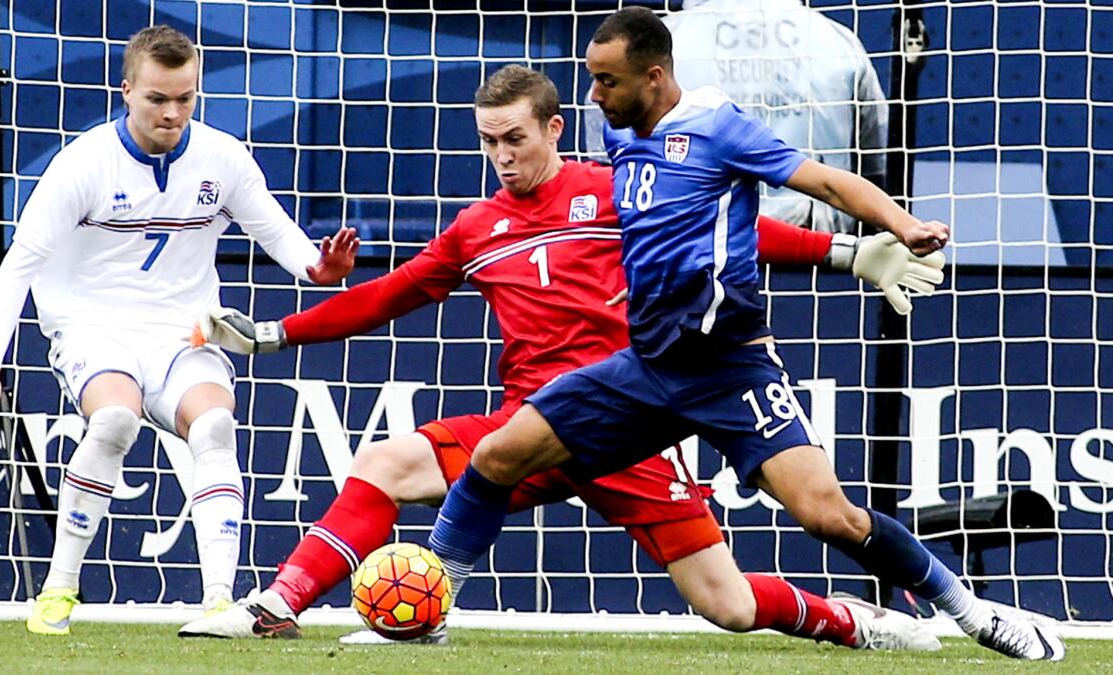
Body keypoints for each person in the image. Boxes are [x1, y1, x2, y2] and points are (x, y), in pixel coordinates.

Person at [177, 64, 942, 651]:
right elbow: (388, 296)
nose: (501, 156)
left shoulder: (614, 190)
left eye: (515, 138)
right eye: (487, 141)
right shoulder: (476, 228)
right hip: (527, 430)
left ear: (553, 130)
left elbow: (743, 234)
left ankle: (855, 621)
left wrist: (846, 252)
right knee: (384, 463)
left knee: (729, 605)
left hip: (627, 425)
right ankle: (277, 604)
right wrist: (280, 332)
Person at [426, 9, 1064, 662]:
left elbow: (822, 179)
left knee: (829, 515)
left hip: (732, 370)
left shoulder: (716, 128)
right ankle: (430, 603)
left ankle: (973, 611)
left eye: (606, 81)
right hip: (646, 368)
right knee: (496, 457)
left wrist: (897, 225)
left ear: (654, 76)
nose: (594, 94)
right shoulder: (620, 138)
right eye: (592, 79)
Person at [0, 25, 360, 636]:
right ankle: (59, 590)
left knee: (216, 425)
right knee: (114, 420)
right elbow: (18, 267)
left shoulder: (222, 157)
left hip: (184, 333)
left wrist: (318, 267)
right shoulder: (82, 164)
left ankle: (221, 603)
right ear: (126, 92)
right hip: (92, 329)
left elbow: (279, 235)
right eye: (157, 99)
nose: (172, 113)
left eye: (185, 98)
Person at [583, 0, 888, 234]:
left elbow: (606, 167)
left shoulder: (652, 45)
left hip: (687, 247)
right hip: (818, 250)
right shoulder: (836, 41)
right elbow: (876, 156)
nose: (600, 92)